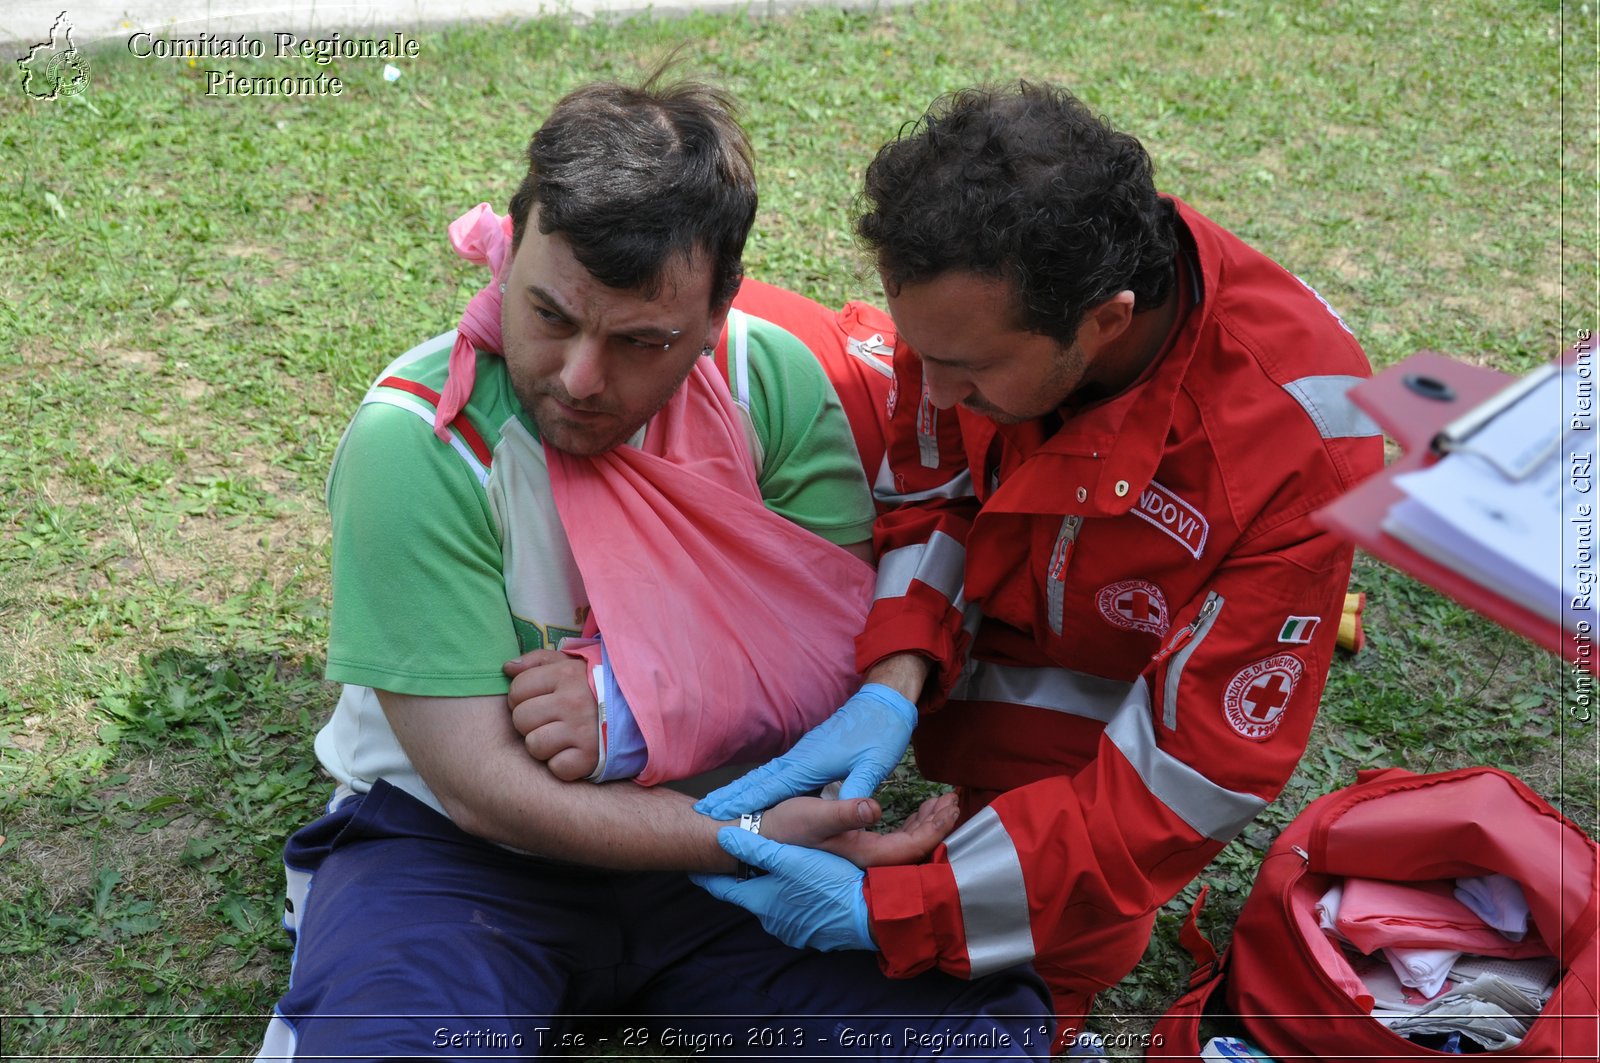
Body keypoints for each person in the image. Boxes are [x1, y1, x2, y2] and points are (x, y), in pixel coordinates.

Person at [253, 73, 1051, 1061]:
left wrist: (628, 717)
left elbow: (822, 660)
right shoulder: (419, 440)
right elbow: (479, 786)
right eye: (548, 316)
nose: (579, 378)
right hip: (463, 863)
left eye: (639, 342)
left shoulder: (768, 382)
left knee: (975, 1041)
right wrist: (751, 828)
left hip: (724, 870)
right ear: (511, 253)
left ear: (717, 315)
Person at [692, 81, 1387, 1051]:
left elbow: (1184, 780)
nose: (932, 388)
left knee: (1065, 939)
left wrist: (904, 912)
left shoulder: (1298, 440)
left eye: (966, 369)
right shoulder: (974, 303)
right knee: (728, 341)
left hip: (1107, 667)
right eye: (918, 348)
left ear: (1103, 322)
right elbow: (928, 484)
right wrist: (894, 675)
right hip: (999, 594)